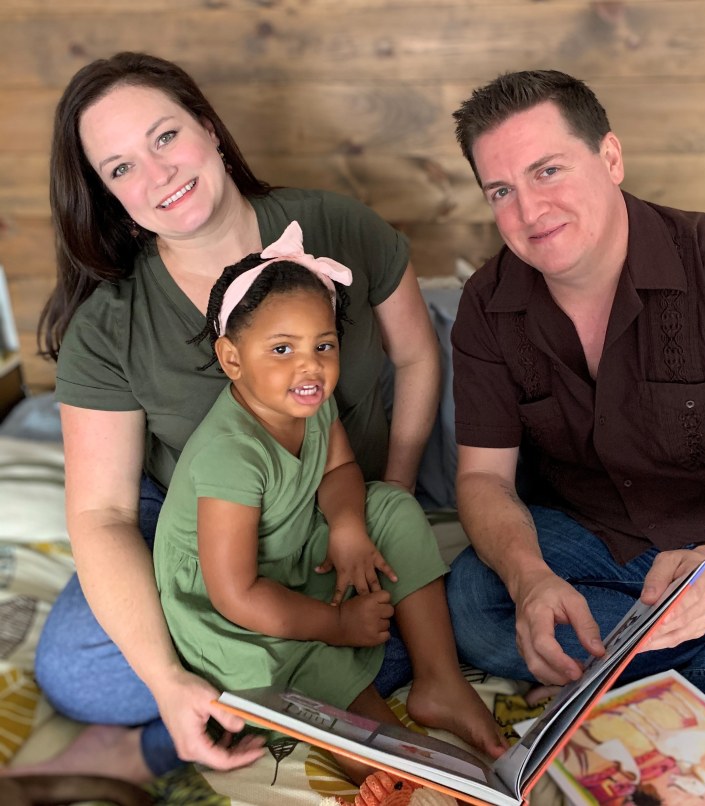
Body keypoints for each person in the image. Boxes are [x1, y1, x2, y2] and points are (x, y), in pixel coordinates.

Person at [15, 51, 440, 783]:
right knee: (79, 670)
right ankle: (165, 727)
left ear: (209, 129)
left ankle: (203, 709)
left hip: (326, 509)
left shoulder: (338, 224)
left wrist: (383, 499)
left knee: (402, 622)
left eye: (165, 138)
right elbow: (105, 512)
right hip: (201, 522)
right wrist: (163, 676)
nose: (158, 176)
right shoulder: (109, 325)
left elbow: (419, 359)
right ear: (108, 195)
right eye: (120, 169)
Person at [443, 69, 705, 719]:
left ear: (610, 158)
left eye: (548, 171)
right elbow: (483, 480)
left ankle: (636, 667)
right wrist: (530, 578)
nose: (529, 211)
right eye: (501, 190)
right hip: (599, 538)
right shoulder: (486, 304)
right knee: (478, 601)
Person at [153, 222, 505, 784]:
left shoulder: (308, 400)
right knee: (294, 662)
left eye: (323, 345)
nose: (309, 365)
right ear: (232, 358)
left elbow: (340, 468)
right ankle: (382, 758)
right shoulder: (231, 455)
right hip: (233, 613)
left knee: (388, 504)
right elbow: (236, 593)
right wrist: (335, 624)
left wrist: (345, 526)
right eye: (282, 349)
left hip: (288, 556)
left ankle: (440, 682)